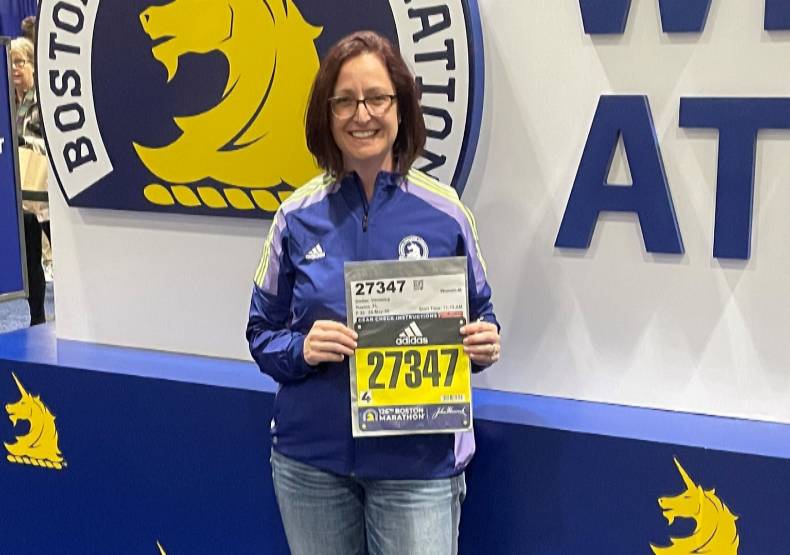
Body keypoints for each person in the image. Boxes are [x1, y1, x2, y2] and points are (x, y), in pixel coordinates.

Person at [247, 31, 501, 554]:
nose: (362, 114)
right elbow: (261, 334)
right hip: (311, 465)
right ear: (327, 114)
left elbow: (483, 318)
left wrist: (483, 344)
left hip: (419, 467)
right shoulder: (295, 217)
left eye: (377, 98)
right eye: (345, 100)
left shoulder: (446, 214)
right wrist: (301, 349)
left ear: (401, 108)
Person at [11, 37, 48, 325]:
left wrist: (24, 142)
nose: (14, 68)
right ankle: (37, 317)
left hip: (45, 190)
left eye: (20, 62)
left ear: (33, 65)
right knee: (30, 258)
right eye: (11, 62)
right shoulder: (11, 101)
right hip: (23, 194)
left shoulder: (42, 98)